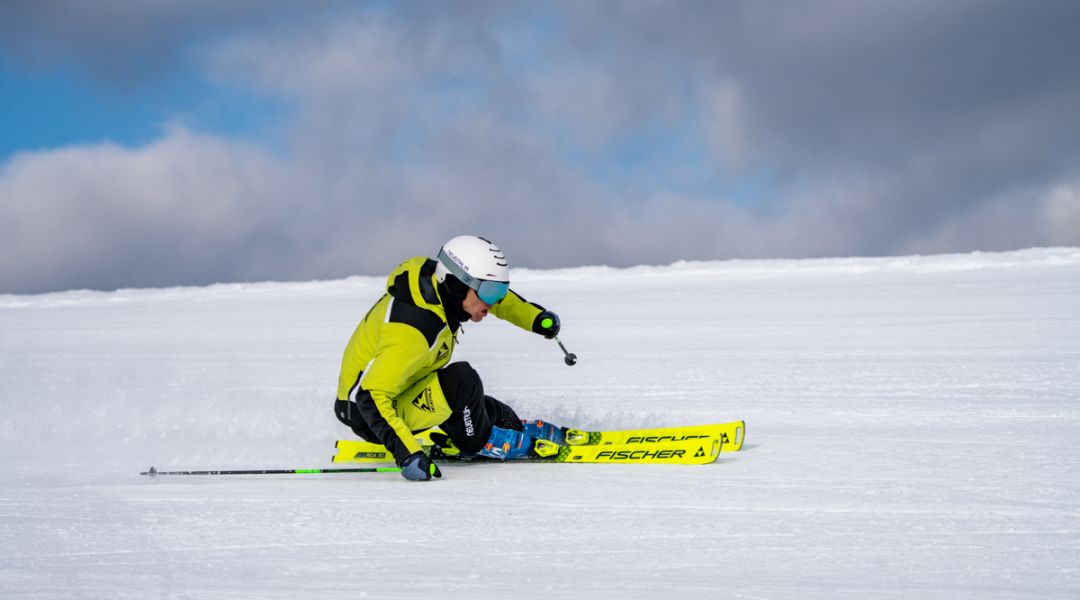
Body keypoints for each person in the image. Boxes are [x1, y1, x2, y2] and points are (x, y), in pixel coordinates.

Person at [334, 235, 563, 481]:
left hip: (401, 386)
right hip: (366, 414)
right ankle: (482, 442)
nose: (494, 301)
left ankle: (509, 428)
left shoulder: (439, 289)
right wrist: (407, 455)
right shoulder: (414, 331)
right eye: (489, 291)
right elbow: (369, 395)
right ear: (457, 284)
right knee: (463, 382)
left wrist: (534, 319)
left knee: (482, 406)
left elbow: (495, 299)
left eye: (499, 290)